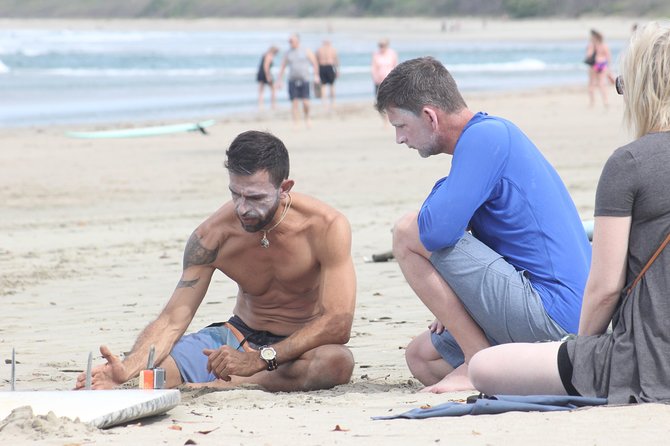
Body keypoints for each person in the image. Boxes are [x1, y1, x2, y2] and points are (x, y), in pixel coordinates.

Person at [469, 22, 670, 404]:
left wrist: (581, 350)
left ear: (643, 89)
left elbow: (605, 287)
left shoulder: (629, 163)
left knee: (484, 366)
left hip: (648, 358)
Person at [75, 130, 356, 392]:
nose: (243, 208)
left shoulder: (325, 227)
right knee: (154, 374)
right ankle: (237, 379)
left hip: (298, 346)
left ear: (284, 188)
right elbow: (173, 319)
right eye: (236, 194)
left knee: (336, 362)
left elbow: (337, 323)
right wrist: (128, 369)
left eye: (255, 197)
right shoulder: (212, 236)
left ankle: (235, 383)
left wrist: (260, 358)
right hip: (236, 337)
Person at [374, 57, 591, 393]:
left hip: (555, 314)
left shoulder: (485, 137)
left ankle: (477, 359)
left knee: (407, 231)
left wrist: (439, 189)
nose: (400, 139)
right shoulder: (486, 138)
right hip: (547, 309)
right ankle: (513, 373)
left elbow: (435, 232)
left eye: (400, 125)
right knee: (421, 357)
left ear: (430, 116)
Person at [277, 34, 320, 128]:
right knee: (294, 102)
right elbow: (283, 67)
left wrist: (316, 75)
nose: (290, 43)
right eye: (289, 41)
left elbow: (315, 63)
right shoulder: (288, 53)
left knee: (306, 102)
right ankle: (295, 123)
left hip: (305, 79)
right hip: (292, 80)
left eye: (291, 41)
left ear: (297, 41)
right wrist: (279, 81)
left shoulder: (306, 51)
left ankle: (307, 118)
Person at [585, 29, 615, 108]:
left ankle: (592, 102)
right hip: (603, 64)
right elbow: (608, 57)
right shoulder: (604, 45)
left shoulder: (591, 45)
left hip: (594, 65)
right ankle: (605, 101)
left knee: (591, 84)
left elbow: (589, 55)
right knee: (602, 83)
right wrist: (609, 68)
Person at [315, 39, 340, 110]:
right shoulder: (332, 49)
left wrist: (316, 72)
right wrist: (337, 70)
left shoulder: (319, 50)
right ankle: (333, 102)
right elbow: (336, 60)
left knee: (323, 86)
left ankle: (324, 103)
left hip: (321, 67)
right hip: (330, 67)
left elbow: (315, 61)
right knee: (332, 86)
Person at [256, 46, 279, 110]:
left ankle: (261, 105)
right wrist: (268, 76)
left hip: (261, 73)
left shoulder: (265, 54)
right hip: (265, 73)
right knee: (273, 89)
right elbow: (266, 66)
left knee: (261, 90)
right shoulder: (269, 56)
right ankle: (273, 104)